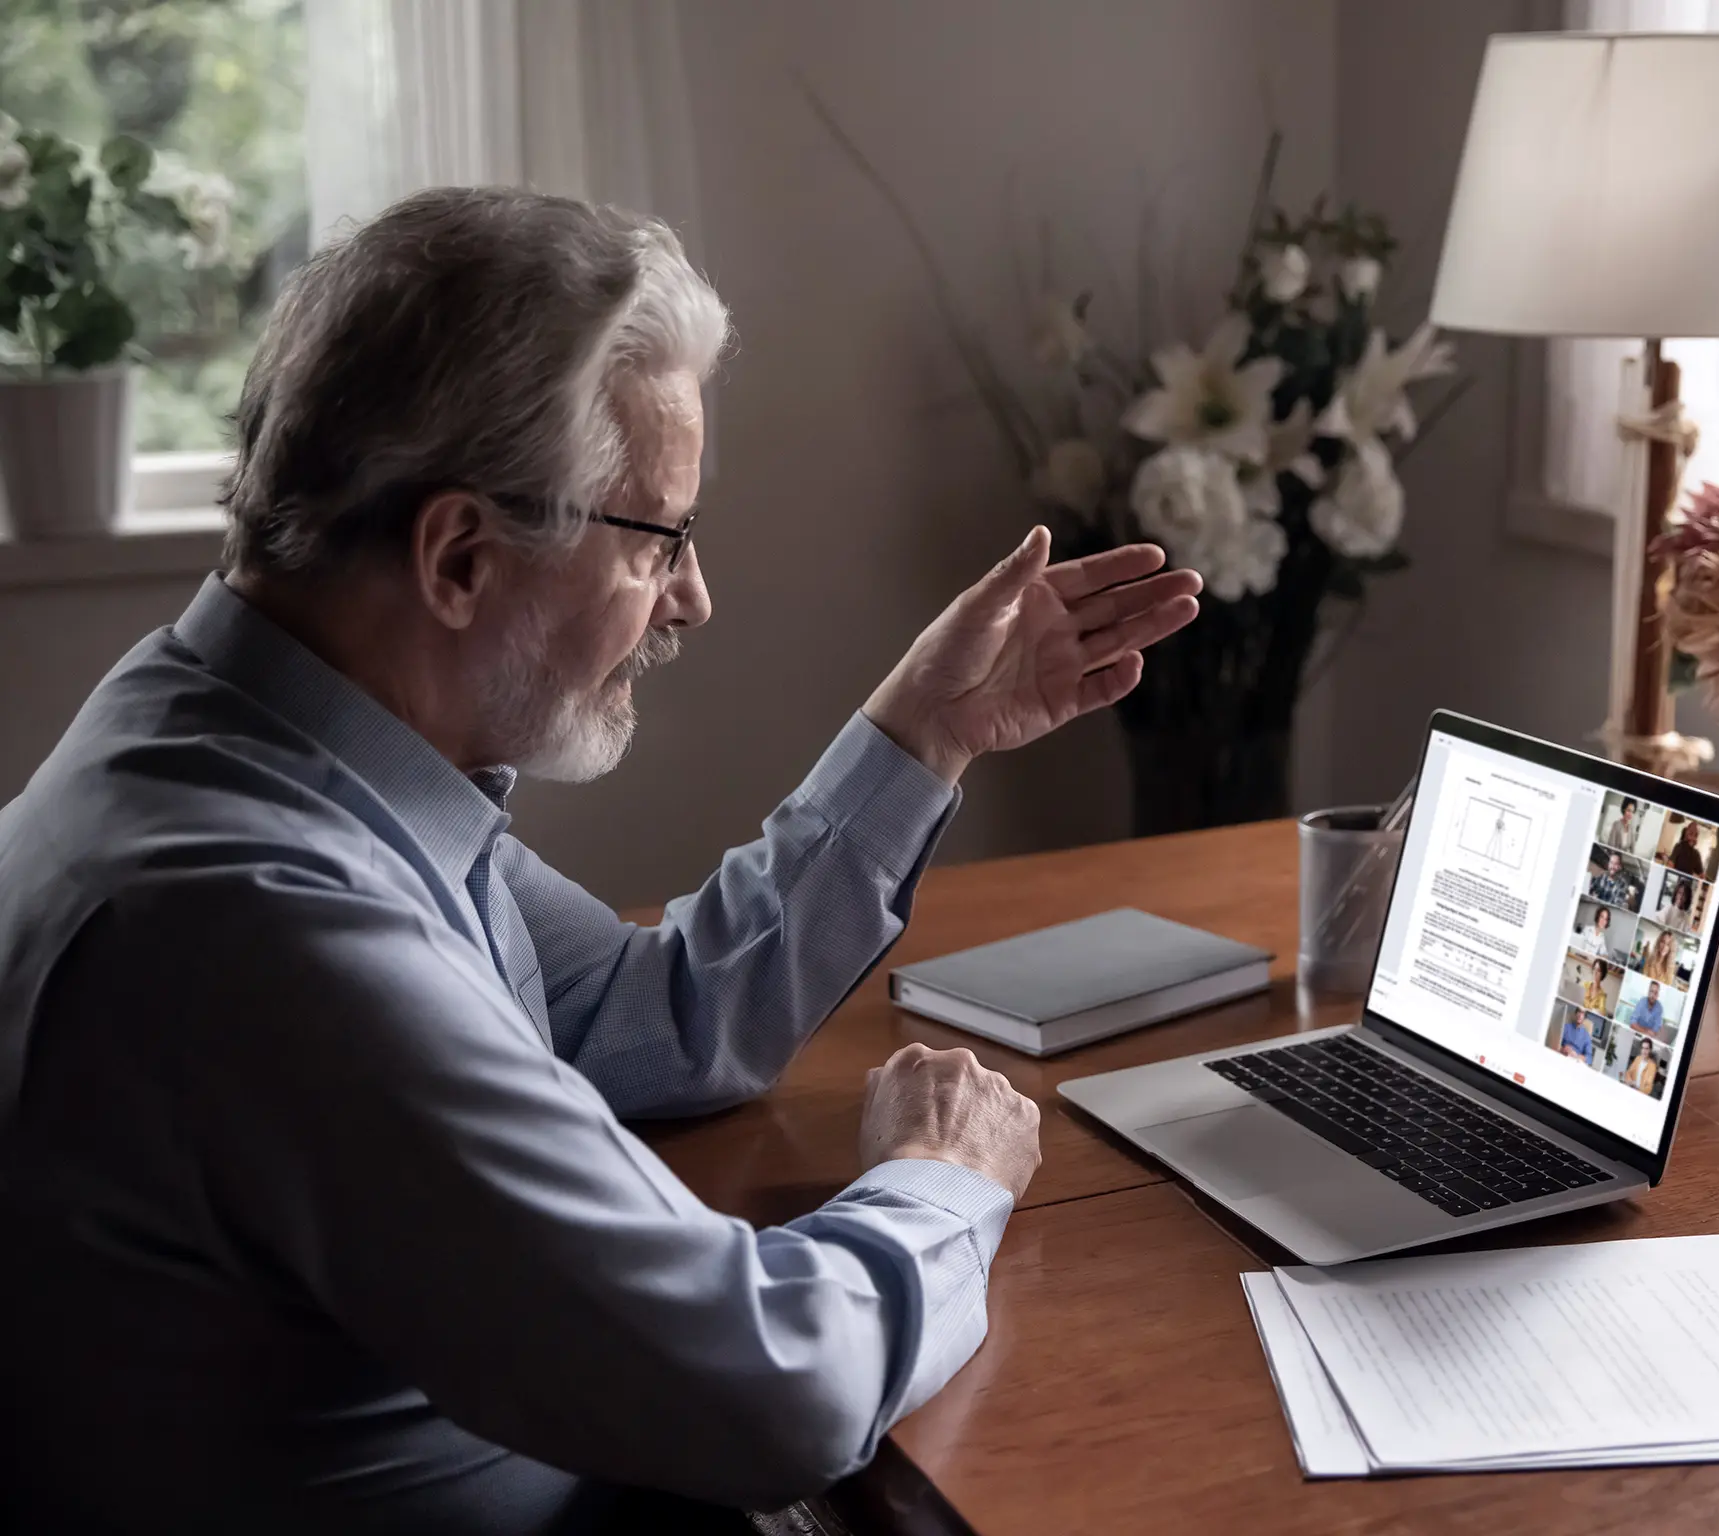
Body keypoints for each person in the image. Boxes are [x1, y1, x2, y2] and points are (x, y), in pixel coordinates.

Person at [0, 189, 1204, 1533]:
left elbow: (653, 1017)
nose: (691, 597)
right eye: (658, 539)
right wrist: (943, 1176)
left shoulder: (243, 741)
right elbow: (772, 1392)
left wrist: (922, 734)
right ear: (460, 555)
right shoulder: (264, 924)